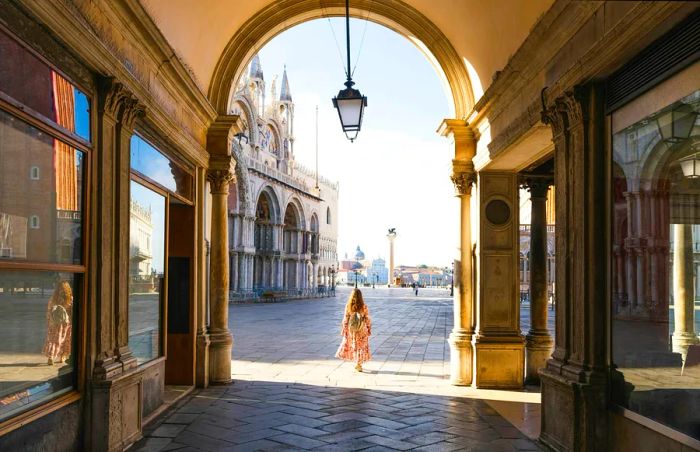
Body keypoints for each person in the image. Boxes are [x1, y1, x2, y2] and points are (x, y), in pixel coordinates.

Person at [335, 288, 372, 372]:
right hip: (362, 329)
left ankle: (357, 363)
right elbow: (367, 319)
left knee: (355, 346)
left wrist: (344, 330)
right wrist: (369, 329)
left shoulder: (348, 306)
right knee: (361, 347)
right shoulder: (364, 306)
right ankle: (359, 364)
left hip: (352, 330)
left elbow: (345, 319)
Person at [43, 280, 73, 365]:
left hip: (55, 322)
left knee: (53, 340)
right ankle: (62, 356)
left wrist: (49, 320)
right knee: (65, 340)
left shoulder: (54, 298)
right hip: (66, 322)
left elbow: (49, 310)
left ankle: (51, 356)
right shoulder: (70, 298)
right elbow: (72, 311)